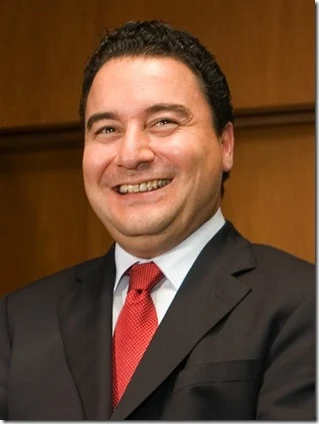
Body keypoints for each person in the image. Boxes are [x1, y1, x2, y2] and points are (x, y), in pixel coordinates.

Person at [0, 20, 315, 420]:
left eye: (163, 121)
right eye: (108, 129)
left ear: (225, 144)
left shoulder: (304, 303)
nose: (131, 154)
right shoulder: (20, 320)